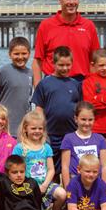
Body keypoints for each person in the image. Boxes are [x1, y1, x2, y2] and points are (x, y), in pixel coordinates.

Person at [32, 0, 99, 85]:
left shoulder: (88, 26)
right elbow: (37, 61)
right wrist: (37, 88)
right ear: (60, 0)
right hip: (52, 82)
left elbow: (94, 61)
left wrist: (93, 86)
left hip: (81, 83)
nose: (71, 2)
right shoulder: (46, 25)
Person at [32, 46, 82, 180]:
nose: (65, 68)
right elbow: (39, 109)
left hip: (70, 134)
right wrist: (41, 131)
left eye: (68, 65)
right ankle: (52, 198)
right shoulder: (44, 83)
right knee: (51, 169)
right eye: (61, 65)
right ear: (53, 64)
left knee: (71, 170)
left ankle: (70, 197)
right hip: (51, 134)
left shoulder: (75, 84)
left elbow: (80, 110)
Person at [12, 111, 66, 210]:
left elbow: (51, 169)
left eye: (40, 128)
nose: (37, 131)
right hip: (26, 186)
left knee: (62, 194)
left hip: (45, 185)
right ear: (25, 129)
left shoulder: (46, 148)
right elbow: (15, 170)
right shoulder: (20, 148)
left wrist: (45, 185)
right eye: (33, 128)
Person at [0, 37, 33, 138]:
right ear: (10, 54)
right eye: (16, 54)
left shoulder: (31, 73)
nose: (20, 57)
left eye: (24, 53)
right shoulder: (3, 72)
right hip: (5, 128)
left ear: (29, 53)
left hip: (24, 129)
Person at [61, 101, 106, 188]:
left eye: (90, 120)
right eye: (83, 119)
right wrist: (68, 187)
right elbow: (65, 166)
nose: (87, 123)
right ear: (76, 119)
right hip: (76, 183)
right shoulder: (68, 138)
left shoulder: (100, 139)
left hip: (95, 182)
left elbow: (105, 165)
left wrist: (104, 187)